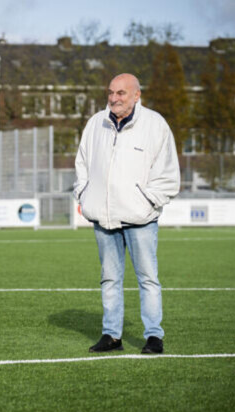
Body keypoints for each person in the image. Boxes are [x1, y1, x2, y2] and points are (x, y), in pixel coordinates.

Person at [73, 73, 180, 354]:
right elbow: (82, 162)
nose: (114, 98)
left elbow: (168, 173)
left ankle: (154, 336)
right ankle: (112, 335)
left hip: (140, 219)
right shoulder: (96, 123)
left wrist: (148, 202)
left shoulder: (155, 125)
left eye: (121, 93)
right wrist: (84, 193)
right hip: (103, 218)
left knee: (148, 278)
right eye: (111, 92)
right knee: (109, 279)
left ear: (136, 95)